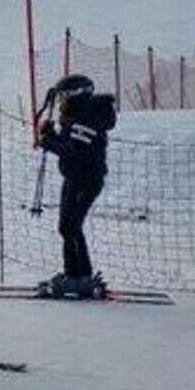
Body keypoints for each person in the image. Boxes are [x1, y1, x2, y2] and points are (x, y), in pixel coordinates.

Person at [35, 74, 115, 298]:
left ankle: (81, 278)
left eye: (64, 98)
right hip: (74, 178)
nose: (61, 103)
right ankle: (76, 274)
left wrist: (48, 142)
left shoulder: (86, 119)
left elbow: (75, 151)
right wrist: (51, 135)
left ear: (76, 97)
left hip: (85, 180)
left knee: (71, 227)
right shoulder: (77, 116)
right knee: (66, 227)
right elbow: (68, 144)